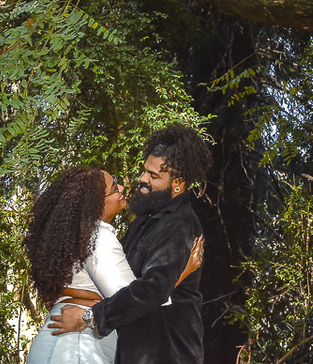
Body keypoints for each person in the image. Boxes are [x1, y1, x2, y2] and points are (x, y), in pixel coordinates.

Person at [51, 124, 212, 364]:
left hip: (167, 354)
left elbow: (151, 290)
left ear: (178, 183)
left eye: (153, 176)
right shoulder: (146, 220)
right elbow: (121, 280)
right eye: (145, 170)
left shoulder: (181, 226)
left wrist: (88, 318)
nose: (142, 179)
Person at [23, 166, 202, 364]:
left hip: (69, 344)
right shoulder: (98, 237)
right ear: (96, 203)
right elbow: (134, 300)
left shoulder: (83, 239)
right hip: (77, 347)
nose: (123, 188)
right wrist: (180, 275)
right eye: (114, 187)